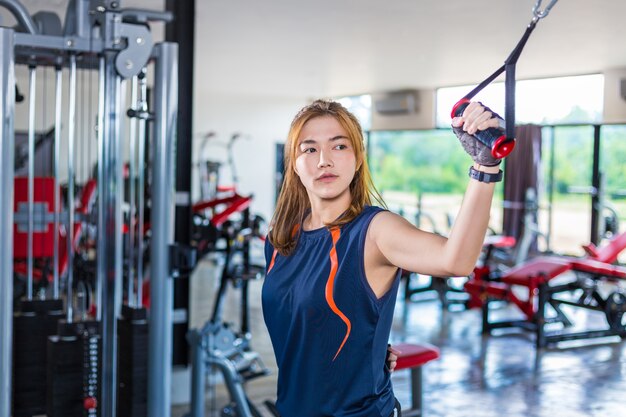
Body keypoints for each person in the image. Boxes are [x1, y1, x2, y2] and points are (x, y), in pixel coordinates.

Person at [262, 99, 503, 417]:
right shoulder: (280, 239)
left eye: (339, 146)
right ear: (293, 162)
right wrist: (367, 349)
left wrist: (485, 168)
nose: (324, 161)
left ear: (358, 157)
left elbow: (455, 261)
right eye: (309, 149)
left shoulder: (374, 230)